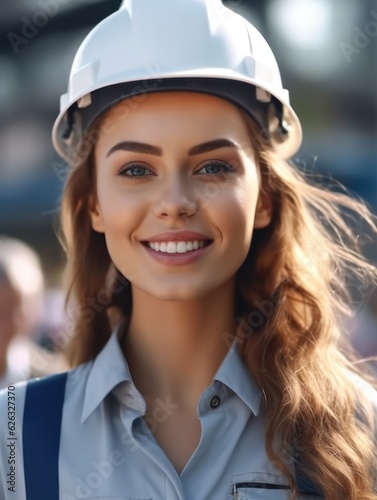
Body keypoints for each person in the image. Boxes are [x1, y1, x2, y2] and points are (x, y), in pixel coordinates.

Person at [1, 0, 377, 498]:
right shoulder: (13, 438)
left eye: (213, 167)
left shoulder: (358, 432)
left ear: (263, 197)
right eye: (136, 169)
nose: (175, 203)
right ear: (94, 203)